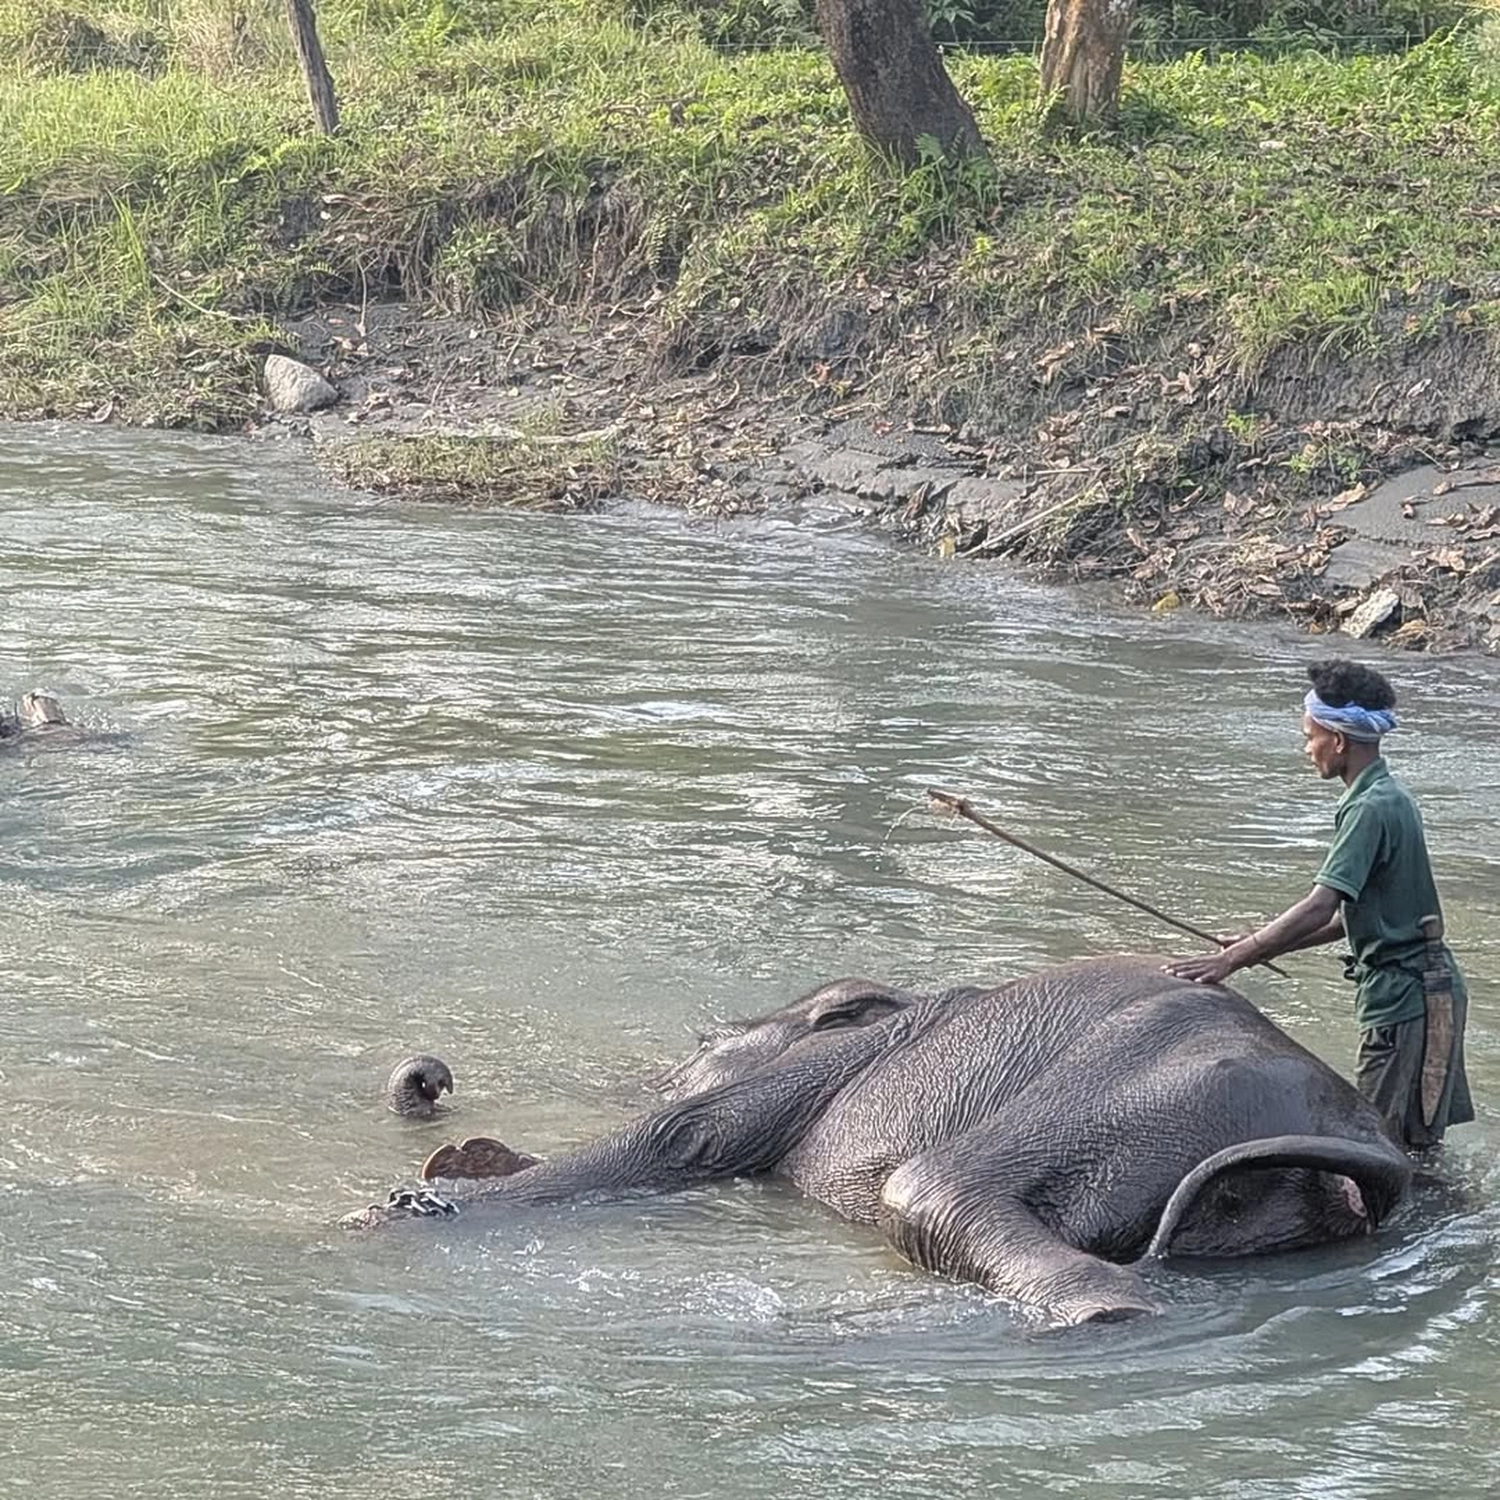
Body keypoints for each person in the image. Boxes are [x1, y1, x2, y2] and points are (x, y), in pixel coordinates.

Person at [1165, 658, 1473, 1152]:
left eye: (1310, 736)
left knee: (1375, 1149)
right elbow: (1343, 919)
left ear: (1339, 740)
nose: (1307, 749)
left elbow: (1319, 905)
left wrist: (1231, 960)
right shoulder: (1388, 795)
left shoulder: (1369, 809)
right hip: (1425, 989)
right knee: (1414, 1145)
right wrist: (1258, 946)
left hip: (1404, 999)